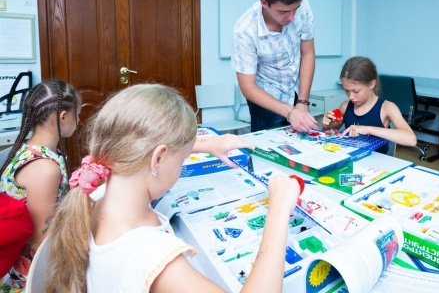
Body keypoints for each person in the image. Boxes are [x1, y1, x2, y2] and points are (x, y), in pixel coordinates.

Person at [44, 84, 301, 292]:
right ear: (158, 158)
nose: (181, 164)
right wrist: (278, 210)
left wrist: (207, 145)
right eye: (182, 159)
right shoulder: (154, 258)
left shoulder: (96, 192)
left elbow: (143, 146)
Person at [0, 80, 81, 292]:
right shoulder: (44, 167)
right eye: (78, 114)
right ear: (63, 116)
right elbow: (39, 239)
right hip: (27, 275)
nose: (78, 120)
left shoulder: (29, 149)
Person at [232, 0, 318, 133]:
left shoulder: (303, 4)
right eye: (283, 12)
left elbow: (307, 53)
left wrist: (303, 100)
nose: (292, 17)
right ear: (264, 3)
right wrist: (290, 112)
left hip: (296, 92)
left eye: (295, 9)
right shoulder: (245, 30)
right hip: (266, 100)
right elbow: (248, 87)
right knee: (268, 146)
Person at [322, 57, 417, 155]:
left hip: (376, 161)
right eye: (346, 90)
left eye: (356, 91)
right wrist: (327, 126)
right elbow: (330, 132)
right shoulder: (345, 106)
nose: (351, 96)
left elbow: (411, 139)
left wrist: (368, 129)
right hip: (352, 158)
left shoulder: (387, 108)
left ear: (372, 84)